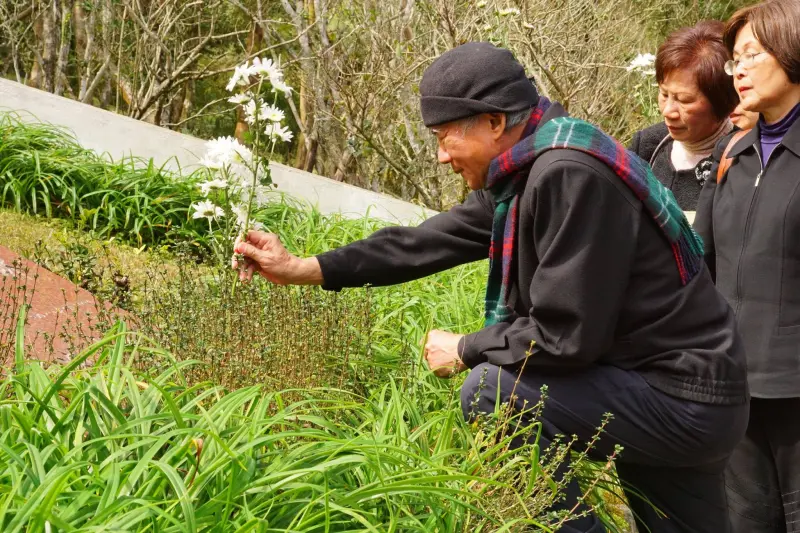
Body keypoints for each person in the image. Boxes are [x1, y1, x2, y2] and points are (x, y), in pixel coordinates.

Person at [234, 42, 748, 533]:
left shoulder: (568, 173)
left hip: (681, 397)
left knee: (491, 390)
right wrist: (306, 267)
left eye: (443, 137)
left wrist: (464, 348)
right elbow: (426, 242)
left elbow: (565, 337)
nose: (440, 156)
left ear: (495, 121)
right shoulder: (529, 169)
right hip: (679, 388)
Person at [694, 1, 800, 531]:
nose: (737, 70)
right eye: (734, 59)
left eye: (751, 55)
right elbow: (699, 261)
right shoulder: (734, 154)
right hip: (735, 382)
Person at [629, 21, 739, 213]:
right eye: (664, 94)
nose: (668, 111)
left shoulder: (742, 159)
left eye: (685, 100)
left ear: (725, 102)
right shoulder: (648, 145)